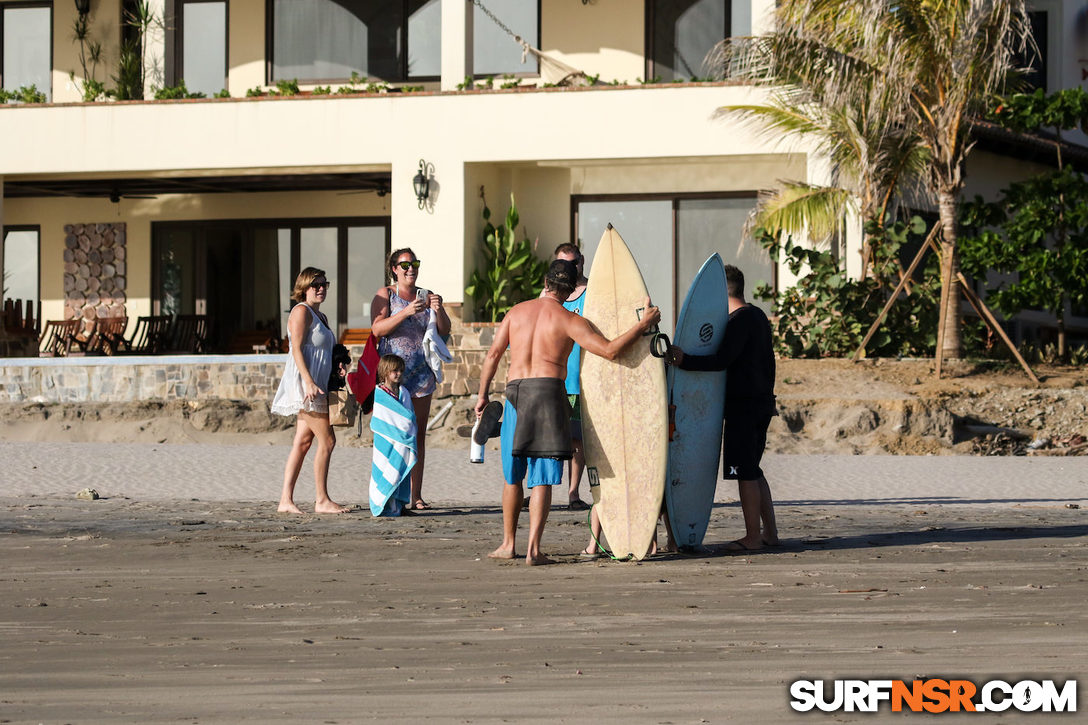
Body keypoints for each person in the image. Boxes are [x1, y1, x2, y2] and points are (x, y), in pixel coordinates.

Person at [476, 259, 661, 565]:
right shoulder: (568, 319)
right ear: (572, 288)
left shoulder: (516, 312)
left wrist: (482, 396)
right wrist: (642, 325)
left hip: (514, 393)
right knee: (543, 478)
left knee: (513, 476)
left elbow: (494, 354)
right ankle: (534, 550)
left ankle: (508, 544)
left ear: (545, 283)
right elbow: (610, 350)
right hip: (548, 392)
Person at [665, 264, 780, 552]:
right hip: (762, 403)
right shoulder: (758, 316)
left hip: (744, 407)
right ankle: (770, 533)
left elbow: (721, 360)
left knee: (745, 472)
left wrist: (684, 360)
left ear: (720, 293)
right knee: (753, 469)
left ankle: (753, 536)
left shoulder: (739, 321)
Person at [371, 248, 451, 511]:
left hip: (420, 375)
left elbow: (444, 330)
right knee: (392, 434)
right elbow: (377, 328)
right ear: (394, 268)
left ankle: (415, 495)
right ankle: (390, 491)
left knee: (417, 436)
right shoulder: (386, 295)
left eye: (414, 263)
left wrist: (438, 310)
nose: (410, 269)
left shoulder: (426, 294)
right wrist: (406, 312)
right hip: (392, 377)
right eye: (404, 265)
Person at [272, 267, 349, 514]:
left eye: (324, 284)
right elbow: (295, 349)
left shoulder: (321, 317)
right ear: (304, 288)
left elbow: (322, 351)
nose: (321, 288)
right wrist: (307, 381)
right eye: (315, 284)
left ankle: (285, 500)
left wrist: (336, 367)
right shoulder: (301, 312)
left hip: (318, 384)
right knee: (327, 440)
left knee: (303, 442)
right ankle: (321, 500)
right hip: (306, 387)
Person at [549, 243, 591, 511]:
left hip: (583, 379)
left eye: (573, 263)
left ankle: (573, 493)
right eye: (562, 265)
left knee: (577, 440)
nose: (569, 269)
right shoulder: (549, 296)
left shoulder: (594, 292)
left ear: (582, 262)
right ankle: (545, 491)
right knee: (550, 438)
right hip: (553, 380)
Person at [369, 354, 417, 517]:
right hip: (385, 439)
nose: (398, 374)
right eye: (394, 370)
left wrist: (407, 426)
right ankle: (384, 505)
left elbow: (408, 416)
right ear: (385, 371)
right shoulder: (380, 393)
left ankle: (401, 505)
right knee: (385, 469)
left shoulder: (403, 391)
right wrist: (404, 423)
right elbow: (381, 418)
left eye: (401, 371)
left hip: (402, 440)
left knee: (402, 470)